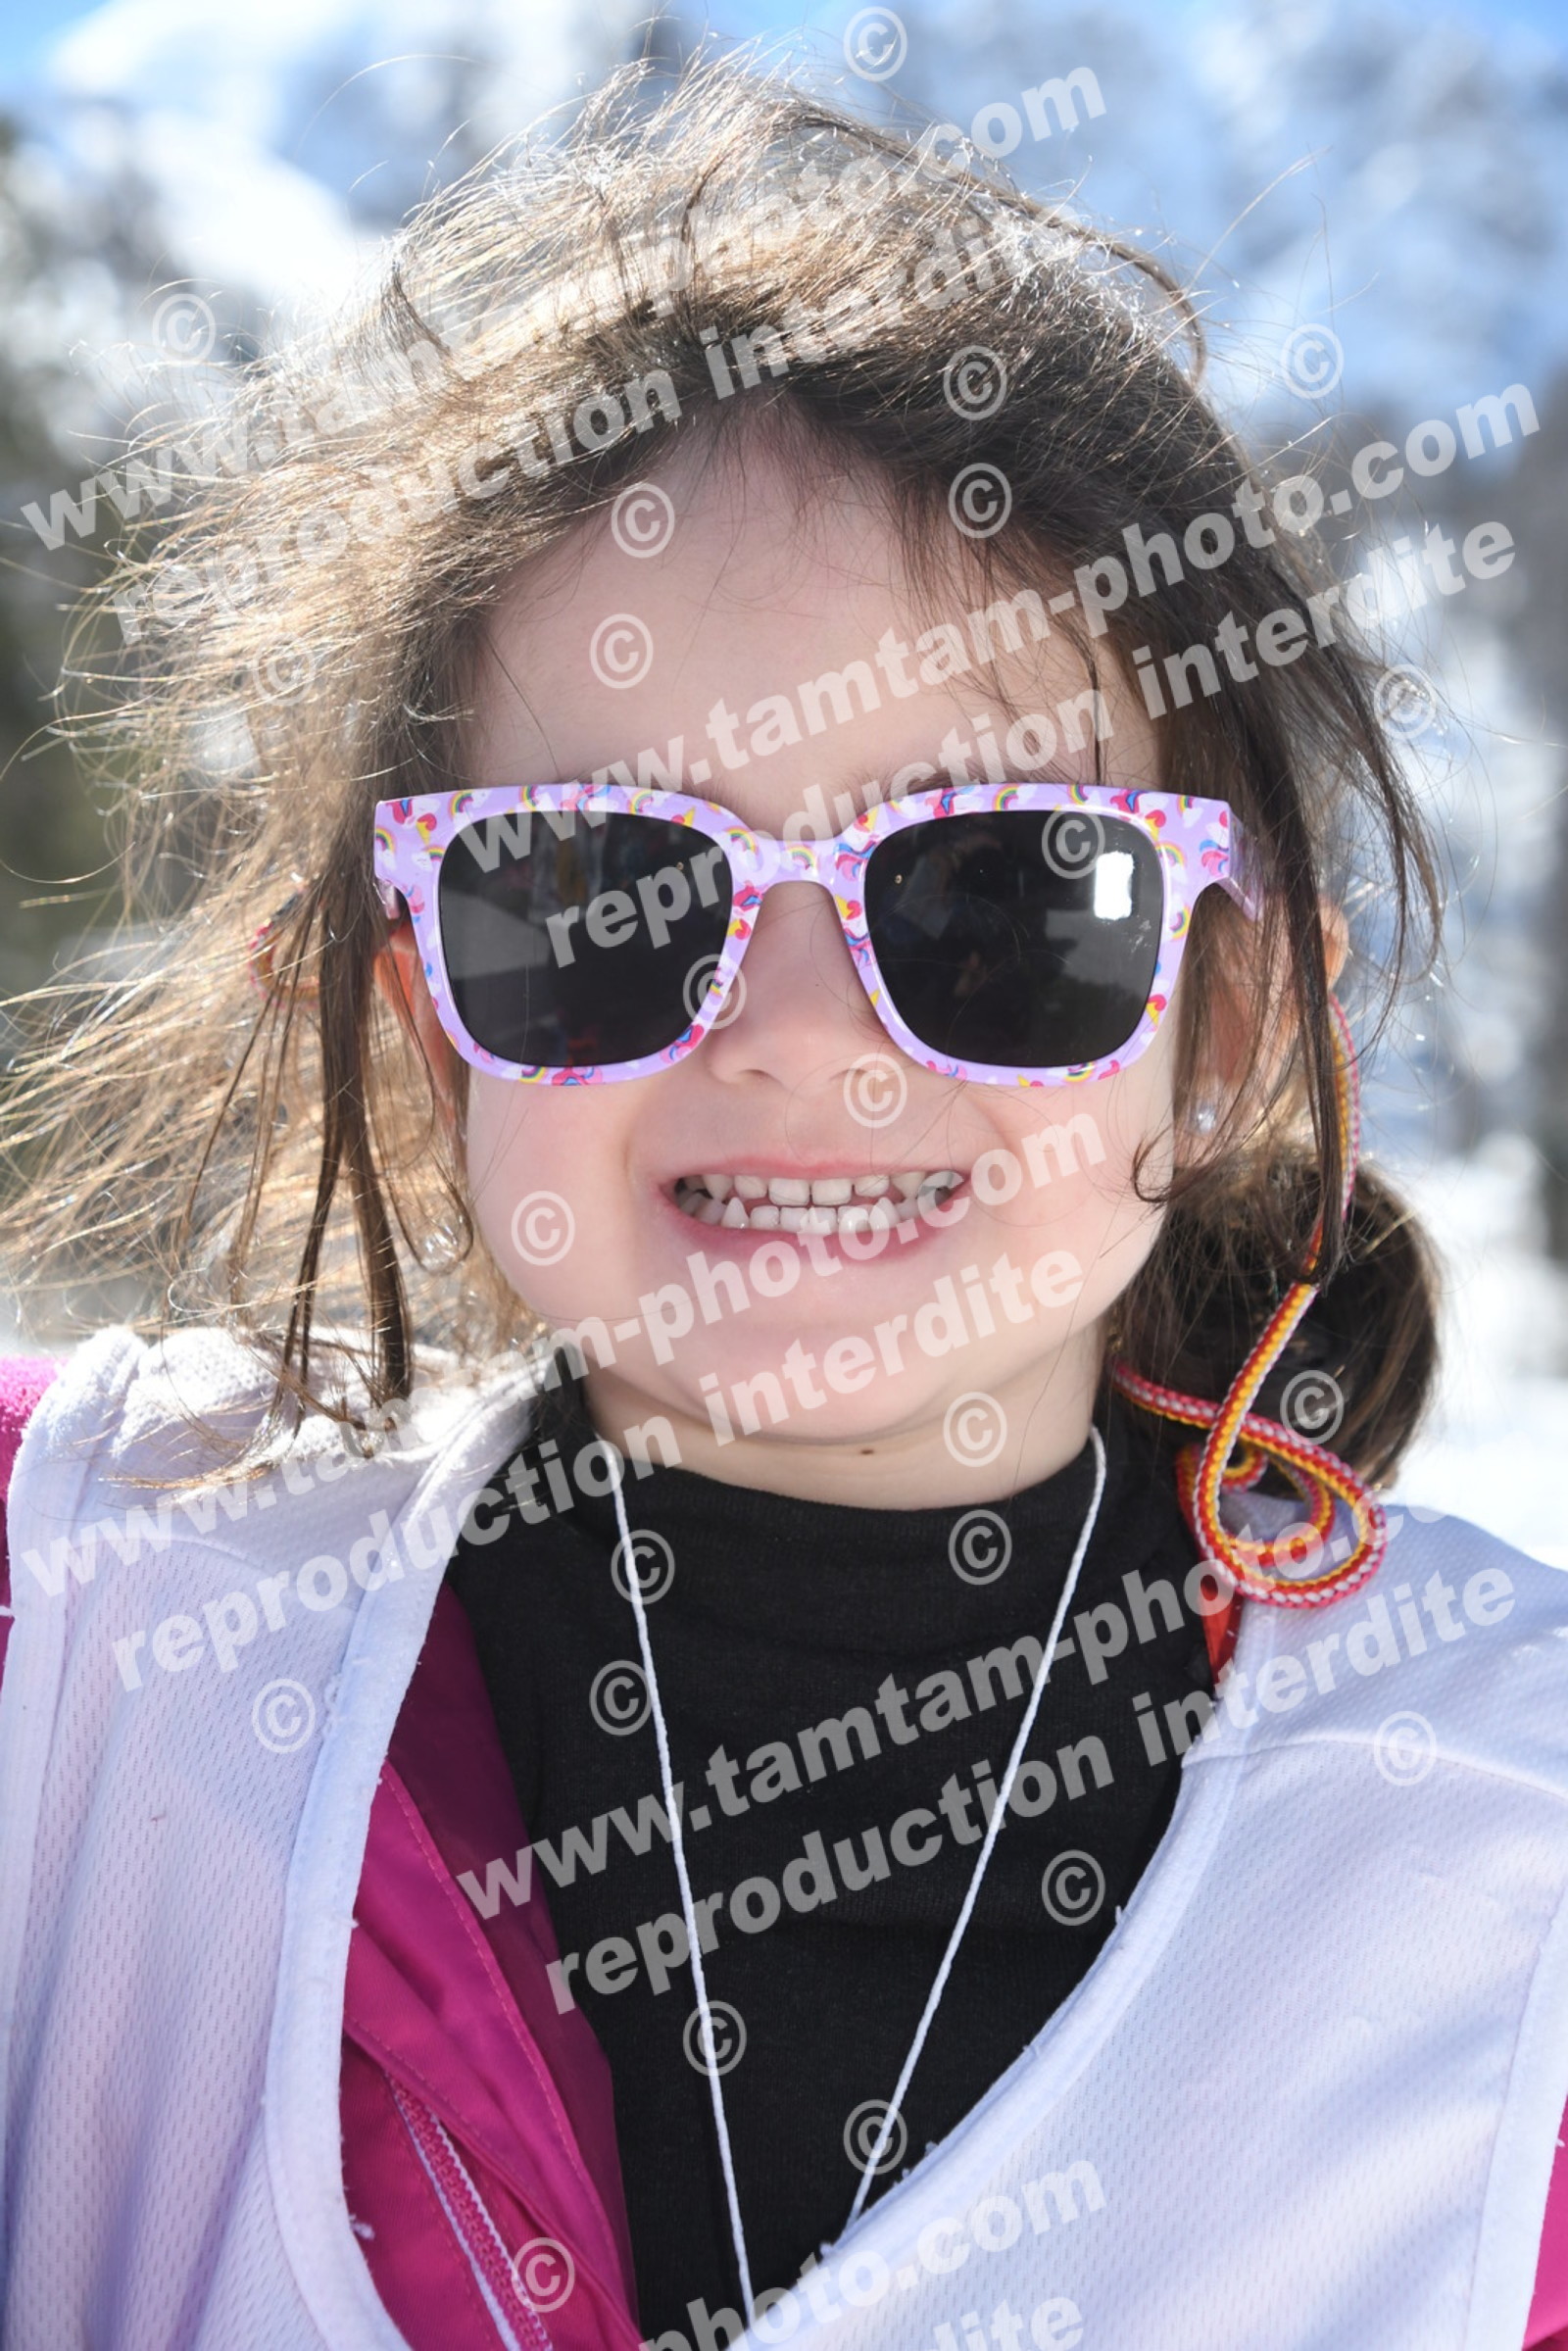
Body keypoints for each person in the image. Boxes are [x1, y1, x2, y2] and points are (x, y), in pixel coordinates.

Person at [1, 55, 1564, 2351]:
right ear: (420, 1013)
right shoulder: (78, 1633)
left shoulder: (1511, 1874)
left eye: (1002, 899)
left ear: (1230, 1022)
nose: (797, 1032)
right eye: (603, 894)